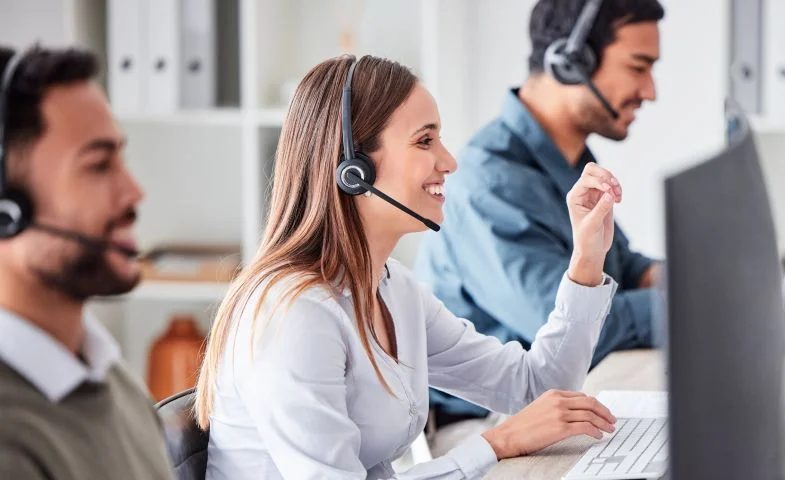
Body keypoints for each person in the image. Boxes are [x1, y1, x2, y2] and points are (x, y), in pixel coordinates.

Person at [193, 54, 625, 479]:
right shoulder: (292, 314)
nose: (450, 162)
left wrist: (586, 260)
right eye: (424, 141)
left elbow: (535, 387)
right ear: (353, 170)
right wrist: (495, 445)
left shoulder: (392, 288)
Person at [413, 0, 665, 445]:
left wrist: (702, 276)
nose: (650, 91)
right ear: (572, 61)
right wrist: (698, 304)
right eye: (638, 67)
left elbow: (626, 269)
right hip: (483, 422)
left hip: (555, 393)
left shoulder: (568, 160)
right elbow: (581, 327)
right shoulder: (487, 183)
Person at [0, 45, 173, 479]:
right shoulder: (11, 442)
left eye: (121, 158)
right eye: (98, 166)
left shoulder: (112, 380)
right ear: (7, 210)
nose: (134, 192)